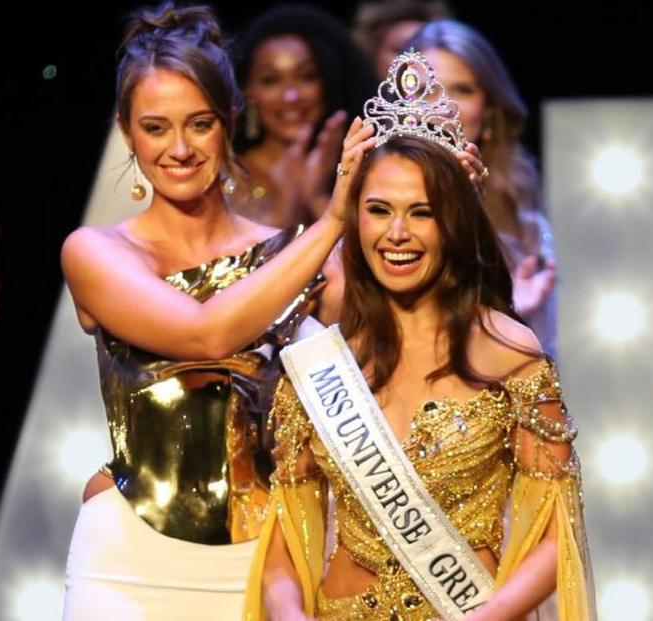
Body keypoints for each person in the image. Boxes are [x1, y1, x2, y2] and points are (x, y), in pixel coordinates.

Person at [245, 50, 594, 621]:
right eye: (379, 210)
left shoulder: (509, 353)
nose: (397, 234)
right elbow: (285, 531)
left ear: (451, 223)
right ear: (354, 219)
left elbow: (557, 534)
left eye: (422, 212)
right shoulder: (323, 364)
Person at [58, 4, 375, 619]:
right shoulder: (97, 253)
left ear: (230, 120)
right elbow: (204, 335)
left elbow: (393, 362)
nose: (179, 148)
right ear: (127, 131)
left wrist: (445, 203)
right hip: (125, 561)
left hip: (267, 562)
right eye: (155, 128)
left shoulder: (297, 256)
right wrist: (332, 222)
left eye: (199, 124)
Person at [407, 20, 557, 357]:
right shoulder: (369, 204)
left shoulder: (524, 218)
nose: (442, 108)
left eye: (461, 90)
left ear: (487, 112)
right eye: (427, 90)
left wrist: (512, 311)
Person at [232, 4, 376, 228]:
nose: (290, 96)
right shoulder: (224, 176)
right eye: (270, 80)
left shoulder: (364, 168)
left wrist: (317, 197)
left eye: (307, 76)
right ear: (248, 91)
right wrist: (287, 206)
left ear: (328, 82)